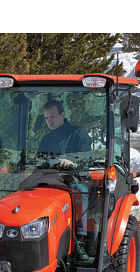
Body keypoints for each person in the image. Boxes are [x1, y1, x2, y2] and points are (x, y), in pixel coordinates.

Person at [19, 100, 92, 261]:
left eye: (52, 116)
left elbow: (87, 159)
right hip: (51, 180)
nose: (49, 121)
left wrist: (74, 163)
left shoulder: (78, 134)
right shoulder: (46, 140)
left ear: (62, 115)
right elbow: (39, 162)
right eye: (46, 118)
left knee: (79, 191)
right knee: (25, 187)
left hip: (75, 178)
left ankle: (80, 242)